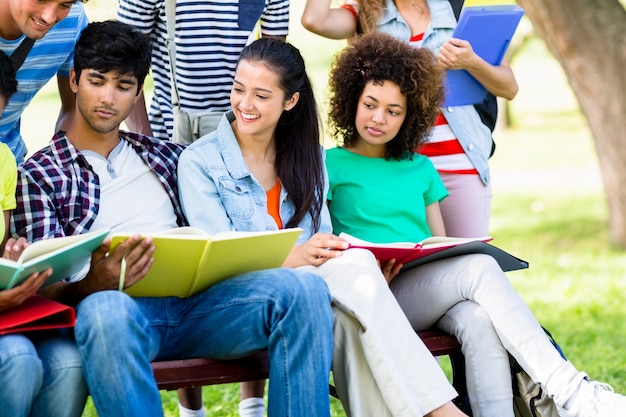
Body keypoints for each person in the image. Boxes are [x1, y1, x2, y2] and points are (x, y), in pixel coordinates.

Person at [12, 20, 334, 417]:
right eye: (97, 81)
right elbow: (39, 288)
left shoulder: (169, 157)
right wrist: (93, 284)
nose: (109, 98)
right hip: (121, 314)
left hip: (199, 308)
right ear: (74, 80)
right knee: (105, 310)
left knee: (303, 291)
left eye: (124, 86)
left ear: (137, 94)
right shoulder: (39, 175)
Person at [323, 31, 626, 417]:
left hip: (418, 289)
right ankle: (572, 393)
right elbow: (324, 238)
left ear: (411, 114)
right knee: (481, 268)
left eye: (394, 111)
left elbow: (435, 243)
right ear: (352, 100)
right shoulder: (330, 165)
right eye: (371, 104)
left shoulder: (421, 168)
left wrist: (456, 247)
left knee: (477, 318)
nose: (379, 118)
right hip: (373, 294)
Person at [178, 36, 470, 417]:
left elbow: (324, 239)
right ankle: (442, 411)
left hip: (316, 292)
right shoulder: (199, 161)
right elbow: (219, 259)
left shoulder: (310, 157)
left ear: (290, 101)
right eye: (239, 89)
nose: (245, 105)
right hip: (239, 304)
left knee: (349, 316)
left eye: (262, 95)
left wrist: (337, 265)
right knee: (350, 287)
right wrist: (295, 256)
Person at [117, 2, 292, 413]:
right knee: (192, 260)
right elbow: (131, 50)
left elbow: (274, 49)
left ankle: (252, 402)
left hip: (245, 122)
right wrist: (143, 131)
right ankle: (190, 407)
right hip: (173, 126)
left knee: (249, 247)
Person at [301, 0, 518, 238]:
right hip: (398, 167)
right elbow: (314, 20)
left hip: (459, 160)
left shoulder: (461, 9)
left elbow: (509, 87)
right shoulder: (367, 12)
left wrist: (471, 62)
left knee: (467, 260)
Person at [0, 49, 88, 417]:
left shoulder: (4, 160)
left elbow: (2, 242)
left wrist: (14, 253)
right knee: (18, 359)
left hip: (7, 312)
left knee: (70, 363)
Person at [117, 0, 290, 140]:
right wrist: (148, 144)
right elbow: (123, 64)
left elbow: (275, 68)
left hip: (246, 137)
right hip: (173, 137)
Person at [0, 0, 89, 163]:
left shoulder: (73, 21)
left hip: (9, 170)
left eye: (64, 5)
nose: (49, 17)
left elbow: (75, 110)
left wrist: (59, 167)